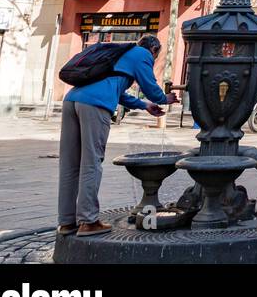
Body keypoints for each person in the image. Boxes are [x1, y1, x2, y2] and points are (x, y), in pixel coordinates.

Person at [58, 35, 177, 238]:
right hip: (95, 105)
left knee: (69, 165)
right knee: (91, 162)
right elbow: (149, 86)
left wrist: (143, 105)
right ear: (154, 51)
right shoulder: (142, 54)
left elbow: (117, 91)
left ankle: (67, 222)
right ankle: (88, 221)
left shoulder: (121, 55)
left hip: (72, 100)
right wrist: (163, 98)